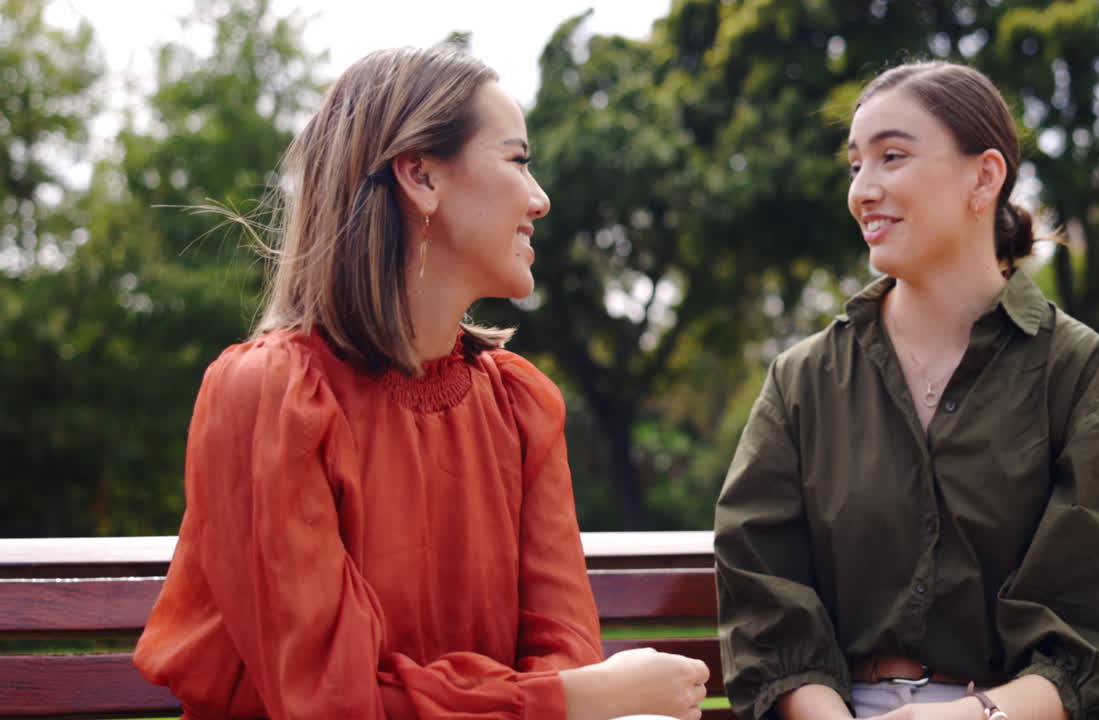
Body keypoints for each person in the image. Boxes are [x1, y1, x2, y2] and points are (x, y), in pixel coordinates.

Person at [134, 44, 708, 720]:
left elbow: (564, 656)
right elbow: (334, 704)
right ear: (421, 177)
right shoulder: (271, 397)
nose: (539, 199)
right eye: (517, 161)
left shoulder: (521, 406)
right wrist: (580, 696)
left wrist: (571, 693)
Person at [714, 60, 1099, 720]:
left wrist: (968, 717)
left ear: (985, 176)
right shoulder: (802, 382)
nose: (863, 189)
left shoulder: (1079, 373)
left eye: (892, 156)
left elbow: (1095, 635)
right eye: (855, 164)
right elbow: (764, 601)